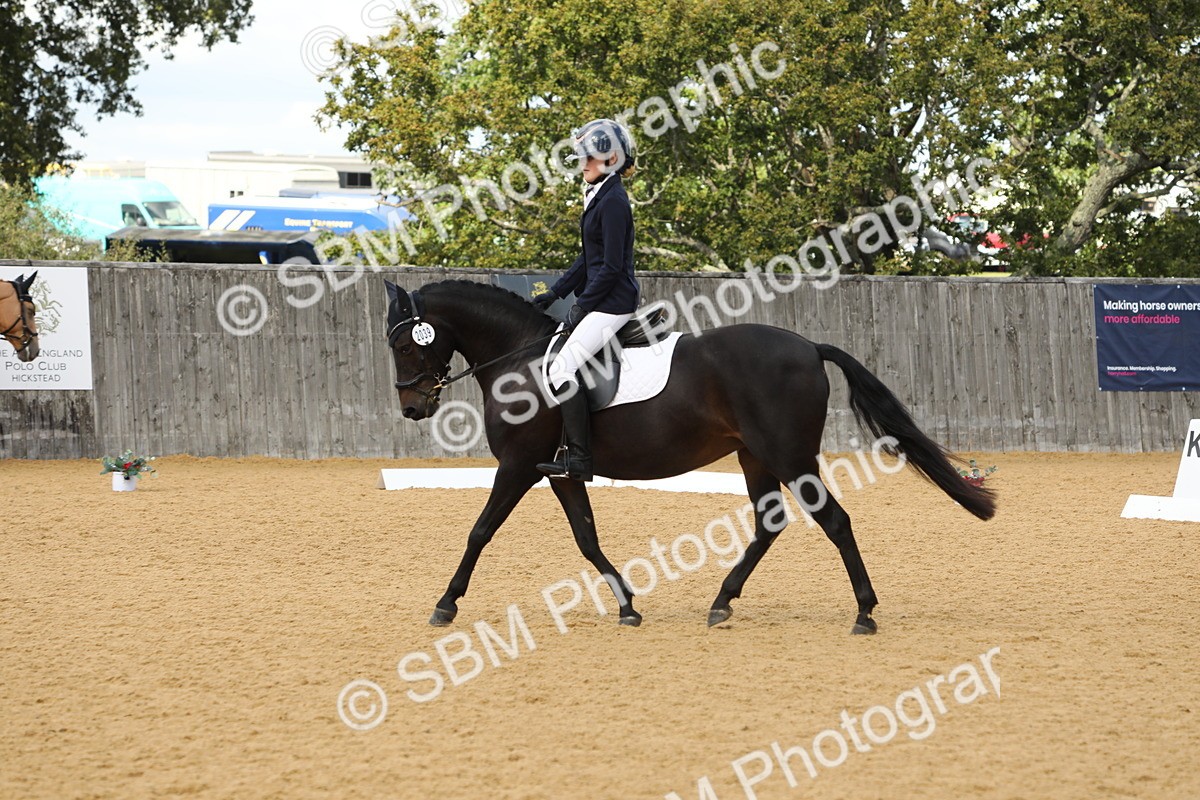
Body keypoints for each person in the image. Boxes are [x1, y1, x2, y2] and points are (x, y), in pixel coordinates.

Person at [532, 118, 640, 481]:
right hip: (602, 297)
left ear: (610, 159)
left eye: (588, 158)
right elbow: (588, 259)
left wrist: (583, 305)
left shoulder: (613, 203)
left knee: (561, 368)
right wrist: (556, 292)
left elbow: (610, 267)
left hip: (614, 302)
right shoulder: (600, 196)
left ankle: (579, 458)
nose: (582, 164)